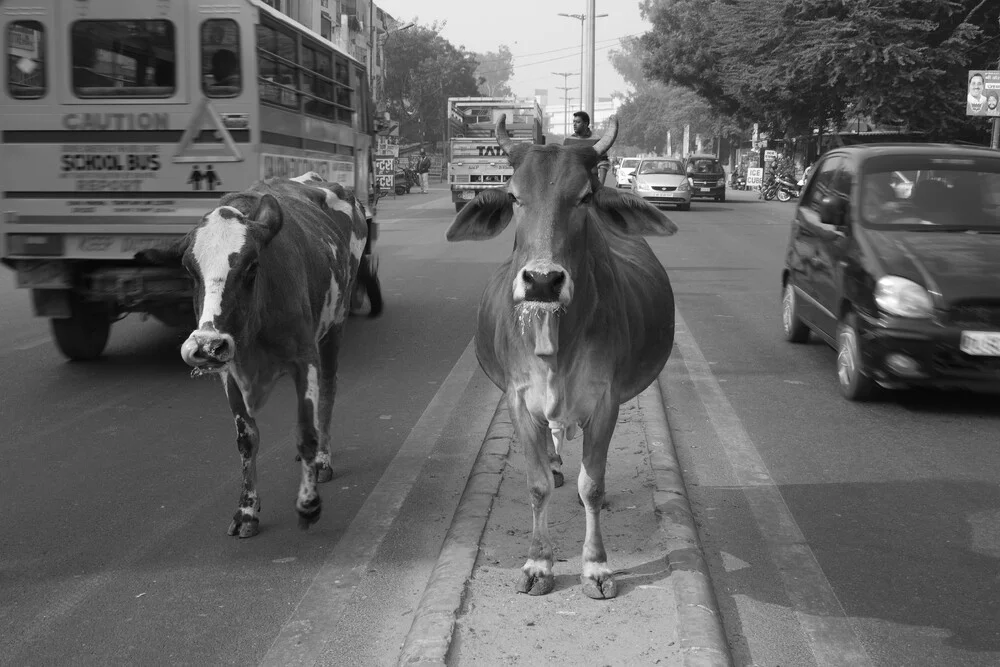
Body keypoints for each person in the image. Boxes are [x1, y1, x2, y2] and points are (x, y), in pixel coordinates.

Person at [564, 111, 611, 186]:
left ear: (585, 124)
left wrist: (601, 186)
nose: (574, 124)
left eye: (578, 122)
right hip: (570, 185)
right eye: (574, 122)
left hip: (591, 185)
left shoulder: (597, 140)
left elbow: (603, 164)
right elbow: (563, 164)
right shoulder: (568, 141)